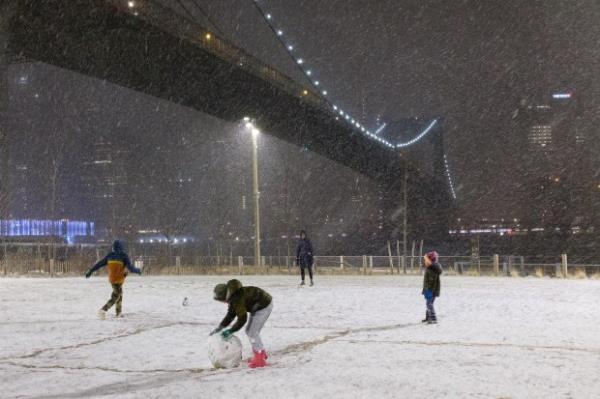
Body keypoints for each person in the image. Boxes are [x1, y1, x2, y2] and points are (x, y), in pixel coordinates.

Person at [210, 279, 273, 368]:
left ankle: (260, 358)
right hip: (258, 306)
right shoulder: (233, 296)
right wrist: (221, 326)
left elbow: (242, 318)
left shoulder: (237, 299)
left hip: (264, 306)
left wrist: (231, 331)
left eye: (221, 300)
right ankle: (260, 353)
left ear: (225, 296)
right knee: (250, 331)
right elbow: (231, 314)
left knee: (252, 331)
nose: (222, 302)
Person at [85, 240, 141, 319]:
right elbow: (131, 268)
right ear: (121, 247)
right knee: (116, 296)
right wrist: (138, 271)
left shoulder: (110, 255)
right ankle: (103, 310)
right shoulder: (123, 256)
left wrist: (91, 271)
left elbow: (99, 264)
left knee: (119, 294)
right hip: (120, 278)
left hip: (112, 279)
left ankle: (118, 313)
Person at [422, 251, 442, 324]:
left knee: (429, 304)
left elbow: (430, 282)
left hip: (431, 290)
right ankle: (428, 317)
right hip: (429, 289)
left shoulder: (433, 268)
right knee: (429, 303)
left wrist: (427, 290)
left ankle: (433, 318)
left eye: (425, 261)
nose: (424, 262)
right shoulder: (431, 268)